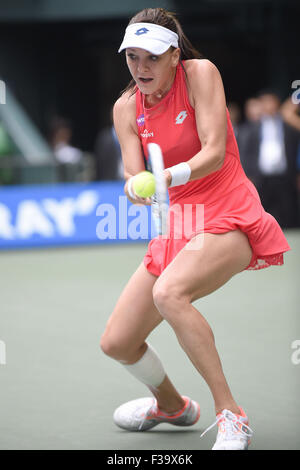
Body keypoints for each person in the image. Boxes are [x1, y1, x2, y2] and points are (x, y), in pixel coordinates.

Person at [100, 8, 290, 450]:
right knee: (118, 342)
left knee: (169, 294)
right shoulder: (125, 108)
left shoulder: (200, 73)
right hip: (177, 223)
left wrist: (168, 177)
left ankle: (232, 415)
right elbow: (132, 175)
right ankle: (171, 407)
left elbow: (216, 151)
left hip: (228, 211)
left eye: (152, 57)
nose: (141, 67)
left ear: (173, 55)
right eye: (133, 57)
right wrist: (136, 188)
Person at [239, 90, 300, 228]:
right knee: (262, 216)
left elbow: (295, 149)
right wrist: (249, 175)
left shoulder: (289, 125)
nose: (268, 105)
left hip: (285, 177)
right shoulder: (252, 127)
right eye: (265, 102)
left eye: (271, 101)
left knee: (287, 216)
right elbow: (245, 152)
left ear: (277, 103)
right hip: (260, 178)